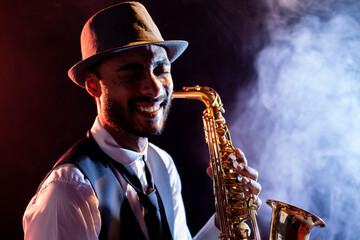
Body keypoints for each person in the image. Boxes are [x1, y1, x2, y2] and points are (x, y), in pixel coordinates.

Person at [23, 2, 261, 240]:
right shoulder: (67, 192)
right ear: (94, 85)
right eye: (132, 73)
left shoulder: (163, 165)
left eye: (161, 70)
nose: (155, 88)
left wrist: (225, 219)